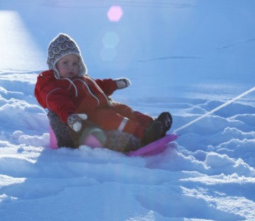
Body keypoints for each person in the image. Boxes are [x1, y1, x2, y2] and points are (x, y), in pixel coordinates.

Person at [34, 33, 172, 148]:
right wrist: (70, 116)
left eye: (75, 63)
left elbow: (98, 86)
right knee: (114, 119)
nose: (71, 67)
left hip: (105, 106)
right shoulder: (56, 86)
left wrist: (114, 84)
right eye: (65, 62)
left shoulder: (81, 79)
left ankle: (154, 124)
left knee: (125, 110)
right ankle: (145, 135)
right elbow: (58, 102)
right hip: (88, 116)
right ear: (54, 65)